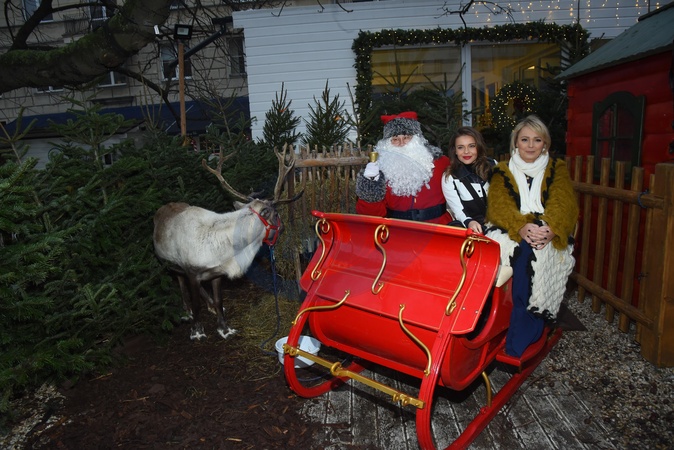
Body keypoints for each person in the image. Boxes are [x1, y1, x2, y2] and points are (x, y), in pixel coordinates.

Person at [485, 115, 578, 357]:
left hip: (546, 227)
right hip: (509, 226)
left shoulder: (556, 168)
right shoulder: (502, 171)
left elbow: (563, 203)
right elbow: (499, 206)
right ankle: (508, 324)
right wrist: (521, 226)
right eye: (524, 139)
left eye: (537, 140)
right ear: (515, 142)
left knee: (533, 256)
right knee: (523, 253)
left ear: (545, 143)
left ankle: (526, 329)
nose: (530, 145)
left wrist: (551, 228)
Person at [356, 111, 455, 225]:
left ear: (417, 139)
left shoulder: (441, 163)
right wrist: (370, 188)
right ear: (387, 143)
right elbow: (370, 216)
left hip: (437, 228)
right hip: (398, 230)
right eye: (395, 139)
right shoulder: (379, 170)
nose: (401, 143)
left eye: (406, 137)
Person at [441, 127, 496, 234]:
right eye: (460, 147)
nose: (466, 152)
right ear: (455, 150)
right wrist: (469, 222)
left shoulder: (493, 165)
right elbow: (458, 210)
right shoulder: (449, 177)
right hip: (472, 229)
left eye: (471, 146)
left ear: (478, 147)